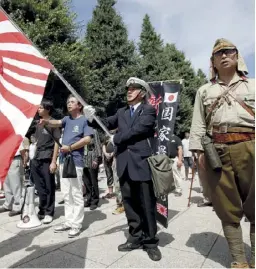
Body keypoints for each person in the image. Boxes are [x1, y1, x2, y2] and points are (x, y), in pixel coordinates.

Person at [189, 38, 255, 268]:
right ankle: (239, 260)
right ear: (213, 62)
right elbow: (198, 123)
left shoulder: (254, 85)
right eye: (219, 54)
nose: (224, 55)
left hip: (251, 146)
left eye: (229, 52)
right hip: (217, 151)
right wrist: (197, 150)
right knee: (227, 207)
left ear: (237, 57)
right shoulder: (204, 90)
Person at [84, 77, 162, 261]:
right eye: (128, 88)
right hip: (124, 163)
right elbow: (106, 123)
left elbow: (140, 130)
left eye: (133, 88)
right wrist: (91, 117)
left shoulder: (148, 110)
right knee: (129, 204)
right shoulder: (121, 112)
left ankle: (150, 241)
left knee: (146, 203)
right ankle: (135, 237)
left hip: (141, 163)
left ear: (142, 93)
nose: (129, 91)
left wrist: (116, 139)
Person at [39, 94, 93, 238]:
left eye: (72, 102)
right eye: (68, 101)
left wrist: (70, 148)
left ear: (79, 105)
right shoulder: (67, 119)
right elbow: (56, 123)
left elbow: (87, 139)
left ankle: (76, 224)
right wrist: (46, 121)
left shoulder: (84, 120)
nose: (69, 104)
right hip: (63, 161)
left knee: (76, 193)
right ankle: (69, 221)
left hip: (75, 161)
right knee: (66, 194)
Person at [30, 100, 60, 224]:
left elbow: (57, 143)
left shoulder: (53, 123)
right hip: (36, 158)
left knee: (49, 186)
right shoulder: (37, 124)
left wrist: (54, 161)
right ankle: (41, 209)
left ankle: (49, 211)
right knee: (39, 186)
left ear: (48, 109)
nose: (39, 109)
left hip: (47, 157)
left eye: (41, 107)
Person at [0, 137, 29, 216]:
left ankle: (18, 206)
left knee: (16, 185)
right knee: (6, 184)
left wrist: (24, 161)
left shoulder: (14, 136)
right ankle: (8, 204)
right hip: (4, 160)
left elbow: (22, 150)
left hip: (14, 159)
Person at [83, 128, 102, 210]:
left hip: (92, 155)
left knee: (93, 180)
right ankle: (89, 198)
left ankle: (95, 200)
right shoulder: (81, 130)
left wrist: (96, 159)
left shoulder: (93, 131)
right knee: (86, 181)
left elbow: (97, 145)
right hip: (84, 158)